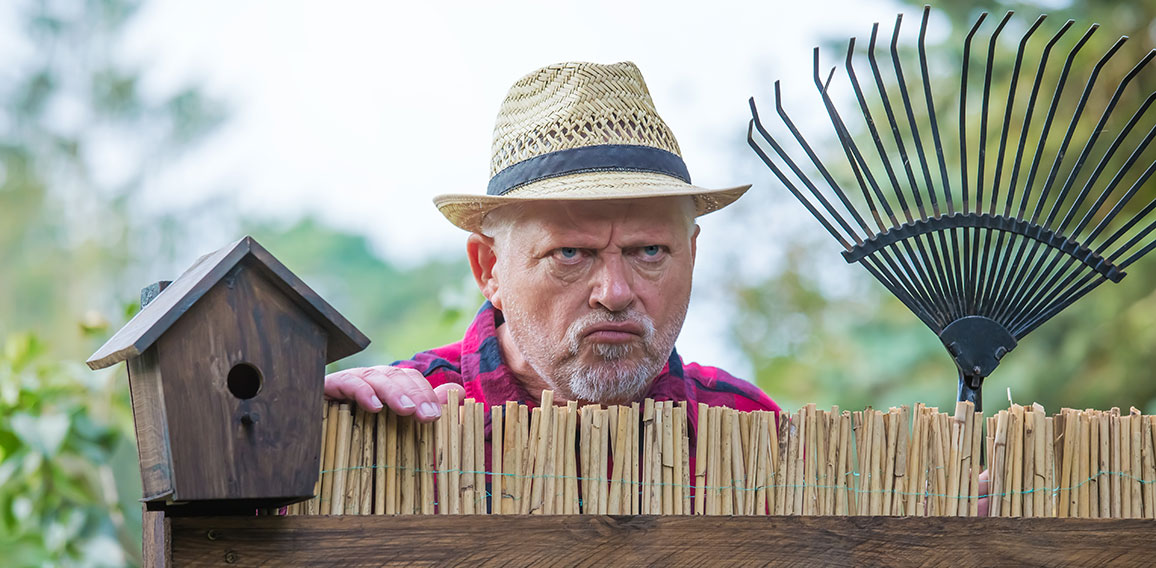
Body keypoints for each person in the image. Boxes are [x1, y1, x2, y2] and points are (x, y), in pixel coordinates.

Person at [324, 61, 779, 430]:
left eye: (649, 252)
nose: (615, 293)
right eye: (570, 254)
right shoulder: (383, 420)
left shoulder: (751, 428)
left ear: (692, 256)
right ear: (489, 269)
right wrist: (295, 429)